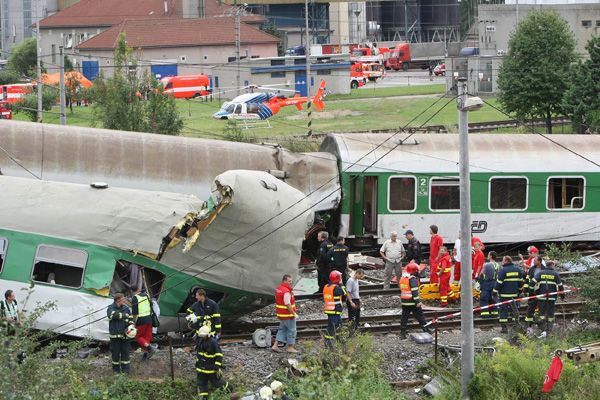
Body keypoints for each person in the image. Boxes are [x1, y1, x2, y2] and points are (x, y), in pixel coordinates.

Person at [195, 325, 232, 398]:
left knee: (217, 383)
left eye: (204, 336)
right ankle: (204, 398)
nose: (202, 337)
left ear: (208, 334)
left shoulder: (213, 342)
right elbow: (199, 355)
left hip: (211, 369)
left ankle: (229, 389)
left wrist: (217, 366)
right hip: (201, 369)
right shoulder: (200, 342)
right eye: (201, 336)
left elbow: (219, 355)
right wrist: (197, 366)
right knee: (201, 384)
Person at [530, 261, 564, 335]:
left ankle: (542, 329)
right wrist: (562, 296)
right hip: (551, 298)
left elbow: (532, 282)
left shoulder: (541, 273)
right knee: (550, 314)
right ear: (552, 265)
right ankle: (549, 329)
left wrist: (531, 291)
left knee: (541, 313)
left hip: (542, 297)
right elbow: (560, 286)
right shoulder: (555, 274)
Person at [399, 262, 430, 339]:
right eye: (417, 270)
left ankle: (402, 334)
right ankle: (426, 330)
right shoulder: (412, 279)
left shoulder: (403, 278)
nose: (418, 272)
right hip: (412, 302)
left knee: (404, 318)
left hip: (404, 301)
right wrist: (418, 302)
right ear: (414, 271)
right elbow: (414, 292)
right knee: (420, 316)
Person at [493, 256, 524, 333]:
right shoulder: (518, 270)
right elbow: (521, 283)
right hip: (514, 295)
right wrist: (519, 292)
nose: (502, 262)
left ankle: (504, 329)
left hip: (504, 295)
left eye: (503, 260)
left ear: (506, 261)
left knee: (503, 311)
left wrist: (494, 292)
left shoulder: (503, 271)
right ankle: (515, 327)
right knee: (514, 310)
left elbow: (499, 283)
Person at [107, 293, 134, 373]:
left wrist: (131, 327)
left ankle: (126, 371)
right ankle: (116, 371)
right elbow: (112, 315)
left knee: (125, 353)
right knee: (115, 354)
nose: (125, 301)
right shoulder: (111, 308)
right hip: (115, 336)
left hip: (125, 335)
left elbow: (131, 318)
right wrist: (124, 315)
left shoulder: (126, 308)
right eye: (123, 299)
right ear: (118, 300)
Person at [272, 274, 298, 353]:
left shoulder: (279, 289)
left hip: (281, 315)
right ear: (284, 281)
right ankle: (290, 347)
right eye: (289, 281)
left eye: (291, 281)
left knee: (282, 330)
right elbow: (287, 304)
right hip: (288, 315)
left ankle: (275, 345)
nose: (291, 282)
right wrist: (294, 314)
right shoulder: (286, 292)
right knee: (292, 330)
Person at [323, 270, 348, 345]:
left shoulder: (326, 286)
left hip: (329, 310)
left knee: (336, 325)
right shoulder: (335, 288)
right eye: (340, 277)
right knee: (335, 326)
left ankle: (336, 339)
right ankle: (329, 342)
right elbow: (344, 292)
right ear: (337, 278)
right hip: (334, 310)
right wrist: (342, 284)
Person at [131, 286, 157, 359]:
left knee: (138, 337)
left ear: (132, 291)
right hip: (149, 319)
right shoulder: (146, 295)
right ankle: (146, 354)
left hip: (141, 320)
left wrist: (133, 322)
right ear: (138, 289)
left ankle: (150, 348)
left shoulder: (135, 298)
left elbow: (135, 313)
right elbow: (151, 305)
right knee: (146, 337)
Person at [524, 255, 544, 330]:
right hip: (532, 292)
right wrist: (526, 289)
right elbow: (527, 279)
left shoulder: (543, 269)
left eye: (535, 260)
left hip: (541, 292)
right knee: (530, 308)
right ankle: (529, 324)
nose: (533, 262)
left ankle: (540, 324)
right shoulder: (532, 269)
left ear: (539, 261)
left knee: (540, 308)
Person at [478, 251, 499, 318]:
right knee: (493, 298)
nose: (487, 256)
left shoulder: (487, 265)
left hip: (487, 283)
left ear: (491, 256)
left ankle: (485, 315)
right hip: (495, 283)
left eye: (488, 254)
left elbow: (481, 274)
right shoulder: (498, 265)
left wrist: (479, 280)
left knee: (484, 299)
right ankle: (494, 313)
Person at [346, 268, 364, 333]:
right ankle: (351, 332)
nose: (361, 277)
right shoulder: (350, 281)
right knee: (352, 317)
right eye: (360, 276)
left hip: (356, 300)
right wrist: (351, 302)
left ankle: (355, 331)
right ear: (357, 273)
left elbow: (356, 292)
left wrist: (360, 300)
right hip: (352, 300)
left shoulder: (356, 280)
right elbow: (348, 292)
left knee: (357, 317)